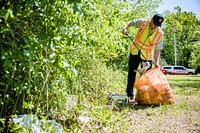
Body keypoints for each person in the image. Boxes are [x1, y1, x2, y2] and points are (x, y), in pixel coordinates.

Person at [121, 14, 164, 103]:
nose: (156, 26)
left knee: (146, 78)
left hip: (147, 56)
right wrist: (125, 28)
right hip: (135, 52)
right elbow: (131, 22)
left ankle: (143, 97)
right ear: (151, 20)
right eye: (155, 23)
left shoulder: (160, 33)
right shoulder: (143, 23)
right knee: (131, 74)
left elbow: (157, 49)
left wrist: (157, 62)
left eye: (158, 25)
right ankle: (130, 95)